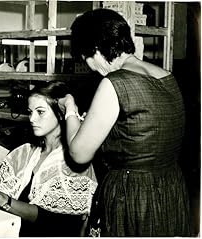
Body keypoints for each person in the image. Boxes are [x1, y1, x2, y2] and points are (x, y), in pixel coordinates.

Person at [57, 8, 192, 237]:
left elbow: (79, 154)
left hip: (131, 195)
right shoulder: (167, 76)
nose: (90, 67)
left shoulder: (114, 83)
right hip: (169, 187)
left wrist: (70, 110)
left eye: (86, 58)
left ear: (96, 50)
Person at [0, 81, 97, 237]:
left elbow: (53, 221)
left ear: (61, 114)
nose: (32, 118)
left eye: (40, 112)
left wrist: (1, 198)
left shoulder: (73, 162)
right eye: (30, 111)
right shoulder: (25, 152)